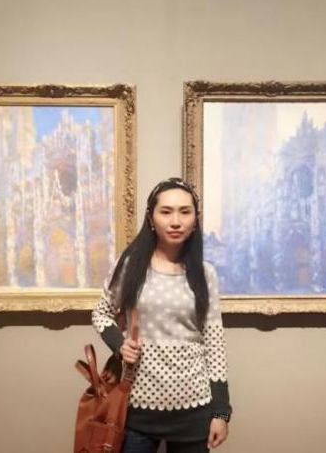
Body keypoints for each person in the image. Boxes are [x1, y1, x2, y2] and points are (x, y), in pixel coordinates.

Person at [92, 177, 232, 453]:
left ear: (195, 220)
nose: (176, 221)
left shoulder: (206, 274)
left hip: (195, 410)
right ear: (151, 218)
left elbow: (214, 343)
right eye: (166, 212)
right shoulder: (130, 265)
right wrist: (120, 346)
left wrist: (221, 412)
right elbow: (101, 313)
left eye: (185, 212)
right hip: (137, 409)